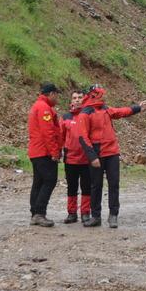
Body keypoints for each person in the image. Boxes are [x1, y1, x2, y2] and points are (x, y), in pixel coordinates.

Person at [76, 85, 146, 228]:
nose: (103, 96)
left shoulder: (105, 109)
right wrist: (92, 157)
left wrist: (137, 108)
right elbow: (83, 137)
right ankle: (96, 216)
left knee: (113, 184)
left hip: (112, 153)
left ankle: (113, 215)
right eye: (101, 94)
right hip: (97, 154)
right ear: (94, 95)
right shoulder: (85, 113)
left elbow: (121, 111)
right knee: (96, 186)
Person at [27, 83, 63, 227]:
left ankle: (35, 213)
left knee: (39, 182)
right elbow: (48, 133)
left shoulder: (38, 106)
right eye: (57, 94)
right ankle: (39, 214)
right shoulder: (44, 108)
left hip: (37, 151)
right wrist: (55, 152)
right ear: (52, 94)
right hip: (43, 152)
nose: (57, 97)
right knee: (49, 180)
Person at [61, 90, 92, 224]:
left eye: (80, 97)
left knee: (86, 187)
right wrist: (58, 151)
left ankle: (85, 213)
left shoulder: (89, 115)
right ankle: (71, 213)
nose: (77, 100)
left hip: (86, 159)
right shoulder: (66, 116)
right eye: (75, 98)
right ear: (71, 100)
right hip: (70, 158)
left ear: (84, 99)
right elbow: (60, 136)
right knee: (71, 187)